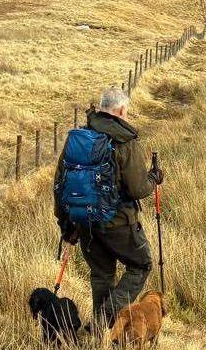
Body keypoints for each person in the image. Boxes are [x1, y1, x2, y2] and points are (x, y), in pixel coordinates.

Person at [55, 87, 162, 334]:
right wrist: (154, 178)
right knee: (141, 264)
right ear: (122, 110)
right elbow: (137, 188)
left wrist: (66, 225)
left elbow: (59, 184)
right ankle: (105, 320)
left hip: (83, 222)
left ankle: (100, 332)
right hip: (118, 222)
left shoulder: (77, 138)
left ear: (100, 107)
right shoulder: (125, 141)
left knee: (101, 275)